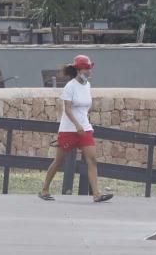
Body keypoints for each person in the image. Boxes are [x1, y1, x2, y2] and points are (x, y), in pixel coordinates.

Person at [39, 54, 113, 203]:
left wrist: (83, 124)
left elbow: (84, 108)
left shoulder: (88, 86)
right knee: (59, 160)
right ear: (79, 70)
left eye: (89, 68)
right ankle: (45, 189)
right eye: (87, 68)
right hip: (69, 129)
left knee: (92, 159)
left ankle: (96, 194)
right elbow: (67, 109)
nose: (89, 71)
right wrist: (77, 125)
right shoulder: (70, 86)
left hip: (84, 128)